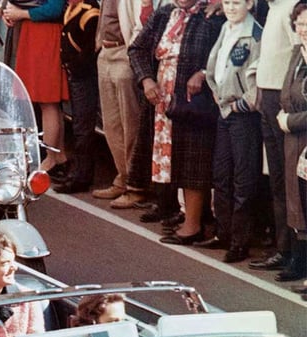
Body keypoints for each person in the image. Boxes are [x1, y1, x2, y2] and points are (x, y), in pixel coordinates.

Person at [128, 0, 224, 246]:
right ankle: (179, 214)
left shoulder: (211, 18)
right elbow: (137, 49)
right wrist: (146, 80)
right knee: (169, 159)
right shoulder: (164, 14)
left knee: (194, 159)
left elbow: (220, 54)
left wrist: (203, 73)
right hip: (161, 96)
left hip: (193, 101)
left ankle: (193, 224)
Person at [199, 0, 263, 263]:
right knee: (221, 174)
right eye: (227, 2)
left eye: (237, 2)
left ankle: (240, 241)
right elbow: (215, 65)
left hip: (242, 114)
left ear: (250, 4)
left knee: (243, 178)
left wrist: (242, 103)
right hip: (224, 110)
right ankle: (223, 232)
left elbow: (258, 77)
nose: (231, 8)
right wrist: (216, 91)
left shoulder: (255, 34)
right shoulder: (226, 27)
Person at [248, 0, 302, 277]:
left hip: (282, 99)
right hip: (267, 94)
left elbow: (299, 55)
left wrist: (284, 99)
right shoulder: (273, 7)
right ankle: (283, 248)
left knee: (288, 181)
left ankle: (293, 252)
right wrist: (257, 86)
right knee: (277, 179)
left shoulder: (291, 7)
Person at [92, 0, 162, 209]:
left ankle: (136, 186)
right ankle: (122, 177)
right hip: (105, 52)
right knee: (111, 125)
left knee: (130, 124)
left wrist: (131, 49)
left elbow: (142, 23)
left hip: (124, 53)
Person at [0, 0, 70, 182]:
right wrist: (5, 8)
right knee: (47, 103)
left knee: (48, 102)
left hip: (45, 34)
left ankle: (52, 157)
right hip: (35, 33)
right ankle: (58, 156)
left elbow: (54, 9)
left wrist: (19, 13)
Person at [53, 0, 101, 195]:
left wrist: (76, 66)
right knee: (79, 124)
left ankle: (82, 176)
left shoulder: (90, 12)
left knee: (83, 128)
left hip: (84, 76)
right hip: (75, 75)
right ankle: (78, 172)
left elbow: (90, 49)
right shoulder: (72, 7)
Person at [277, 1, 307, 285]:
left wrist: (290, 120)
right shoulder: (297, 53)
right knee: (295, 197)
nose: (304, 30)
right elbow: (287, 92)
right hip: (294, 137)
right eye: (300, 25)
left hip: (299, 130)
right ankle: (299, 258)